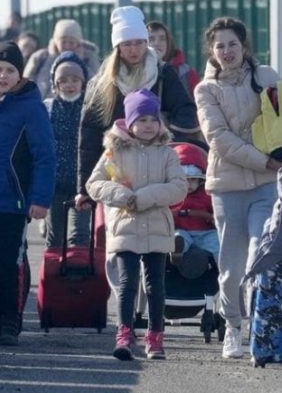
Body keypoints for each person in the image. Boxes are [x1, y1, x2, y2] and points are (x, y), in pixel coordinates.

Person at [194, 16, 282, 360]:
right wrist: (265, 161)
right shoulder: (205, 90)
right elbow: (220, 139)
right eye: (220, 46)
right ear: (212, 51)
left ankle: (262, 326)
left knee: (261, 254)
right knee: (230, 265)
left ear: (244, 46)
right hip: (228, 186)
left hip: (267, 184)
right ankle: (233, 326)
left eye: (233, 44)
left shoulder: (266, 76)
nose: (227, 51)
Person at [0, 41, 55, 346]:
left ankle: (8, 321)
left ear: (20, 74)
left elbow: (45, 156)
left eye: (9, 70)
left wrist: (40, 199)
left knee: (6, 264)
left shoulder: (31, 108)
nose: (2, 76)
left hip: (13, 202)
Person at [86, 88, 187, 360]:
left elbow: (179, 186)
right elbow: (94, 184)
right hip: (125, 226)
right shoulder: (113, 153)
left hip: (156, 226)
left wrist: (144, 197)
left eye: (153, 120)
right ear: (129, 122)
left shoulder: (167, 154)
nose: (148, 126)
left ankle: (155, 336)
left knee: (156, 285)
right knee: (127, 283)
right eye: (141, 120)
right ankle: (124, 333)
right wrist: (122, 196)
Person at [76, 6, 199, 211]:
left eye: (139, 43)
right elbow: (89, 134)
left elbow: (185, 111)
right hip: (118, 173)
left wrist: (166, 140)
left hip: (156, 169)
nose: (133, 49)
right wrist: (84, 188)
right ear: (118, 47)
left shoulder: (162, 74)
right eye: (127, 44)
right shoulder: (104, 83)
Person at [44, 51, 91, 248]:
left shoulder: (90, 108)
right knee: (55, 236)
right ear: (55, 84)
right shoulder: (48, 107)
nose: (69, 85)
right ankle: (53, 276)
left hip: (83, 184)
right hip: (54, 183)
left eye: (75, 79)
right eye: (63, 80)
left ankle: (79, 275)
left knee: (79, 236)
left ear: (83, 82)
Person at [24, 18, 101, 98]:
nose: (67, 46)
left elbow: (97, 87)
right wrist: (51, 59)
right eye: (63, 42)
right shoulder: (40, 58)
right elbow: (28, 87)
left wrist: (80, 62)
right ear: (56, 41)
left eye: (71, 42)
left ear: (78, 43)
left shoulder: (89, 57)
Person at [169, 142, 218, 263]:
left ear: (200, 181)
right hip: (182, 230)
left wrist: (213, 218)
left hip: (204, 232)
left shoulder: (206, 195)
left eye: (193, 180)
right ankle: (176, 250)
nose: (188, 185)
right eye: (184, 180)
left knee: (217, 242)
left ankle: (224, 271)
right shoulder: (171, 196)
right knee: (178, 237)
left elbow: (215, 212)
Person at [147, 21, 200, 100]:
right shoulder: (134, 71)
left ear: (169, 43)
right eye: (151, 39)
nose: (157, 43)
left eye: (162, 39)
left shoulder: (187, 73)